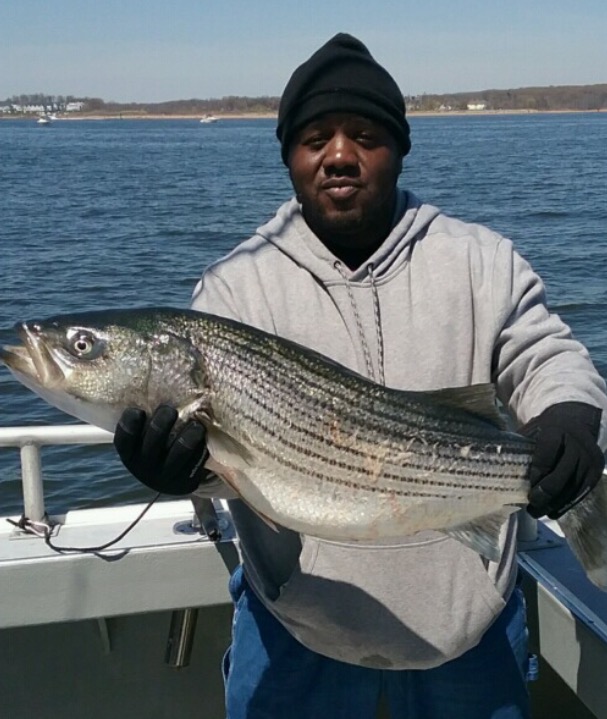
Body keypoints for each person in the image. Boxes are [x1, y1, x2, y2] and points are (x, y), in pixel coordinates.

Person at [114, 33, 607, 719]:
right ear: (289, 156)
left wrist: (569, 414)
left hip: (466, 634)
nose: (339, 155)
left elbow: (545, 353)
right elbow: (230, 461)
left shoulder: (480, 260)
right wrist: (180, 472)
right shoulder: (234, 288)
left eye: (365, 136)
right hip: (296, 634)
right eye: (315, 138)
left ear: (399, 148)